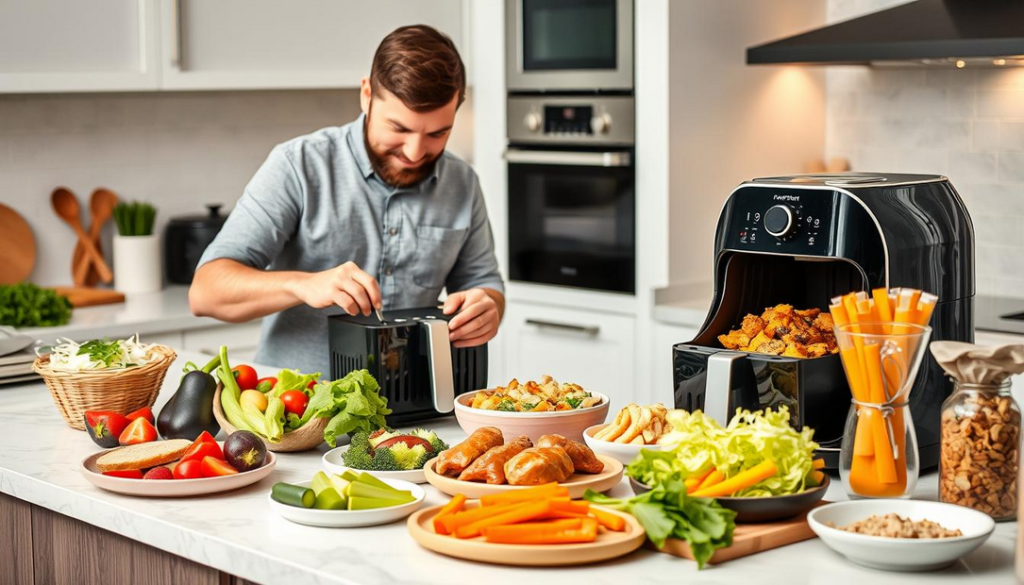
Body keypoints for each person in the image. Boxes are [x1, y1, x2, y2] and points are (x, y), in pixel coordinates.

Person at [189, 25, 504, 375]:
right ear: (366, 94)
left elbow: (485, 283)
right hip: (299, 414)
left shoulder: (462, 182)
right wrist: (304, 284)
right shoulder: (299, 165)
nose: (415, 152)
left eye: (437, 133)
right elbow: (206, 293)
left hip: (414, 410)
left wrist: (487, 307)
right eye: (399, 129)